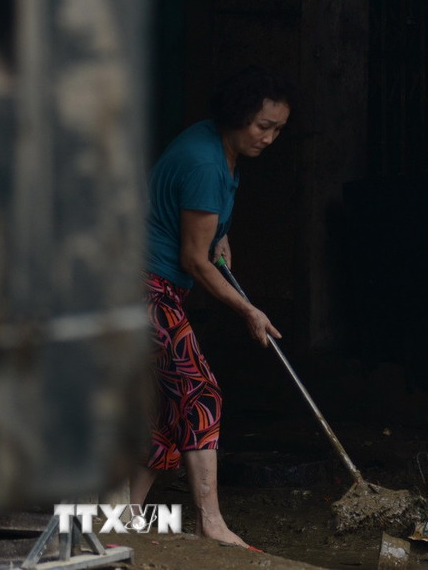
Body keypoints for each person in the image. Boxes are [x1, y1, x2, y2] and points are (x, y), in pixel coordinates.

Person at [131, 66, 295, 550]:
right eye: (263, 126)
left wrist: (219, 233)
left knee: (169, 406)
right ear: (238, 115)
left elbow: (198, 226)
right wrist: (248, 310)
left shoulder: (217, 145)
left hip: (154, 285)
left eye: (279, 129)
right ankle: (211, 523)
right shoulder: (204, 162)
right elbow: (194, 261)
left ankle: (124, 513)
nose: (270, 138)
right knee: (199, 394)